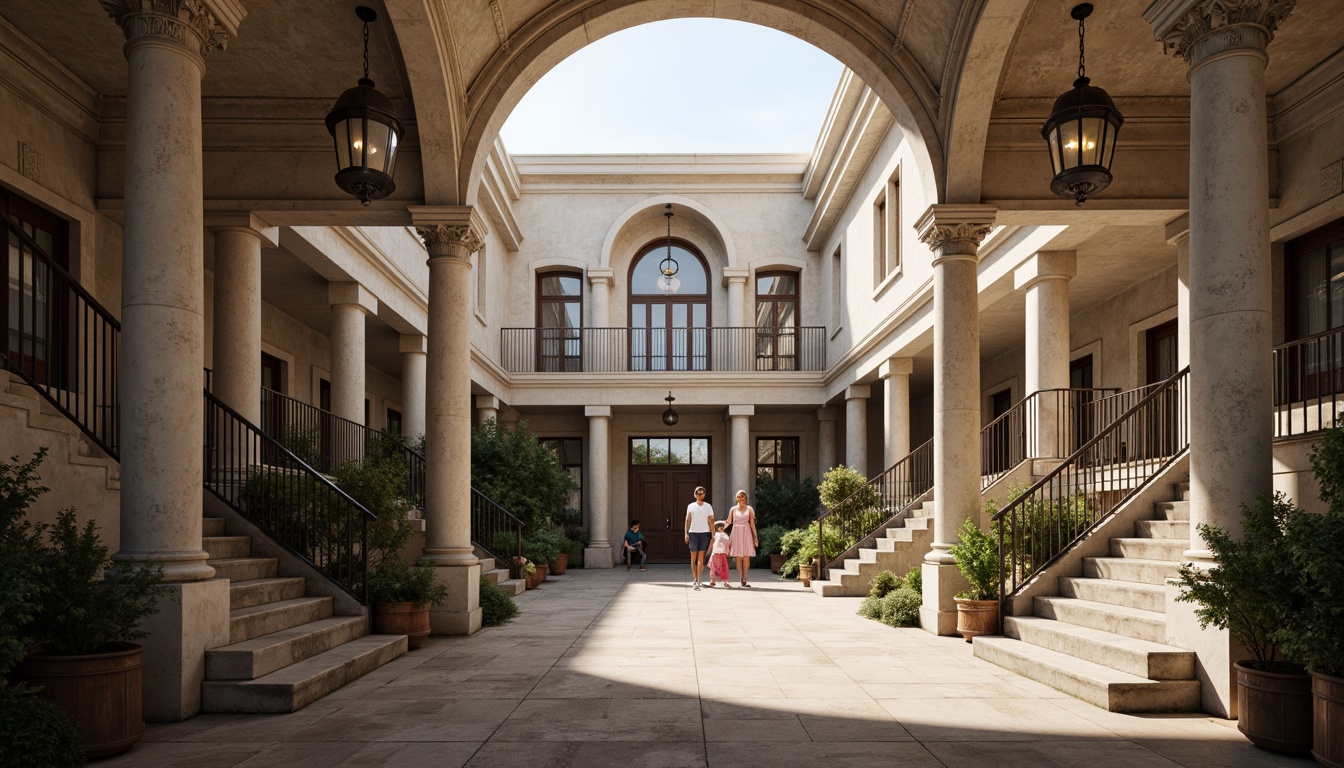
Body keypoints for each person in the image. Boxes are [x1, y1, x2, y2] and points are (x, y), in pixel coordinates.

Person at [684, 486, 714, 590]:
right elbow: (687, 521)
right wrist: (686, 533)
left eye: (702, 493)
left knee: (701, 558)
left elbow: (711, 521)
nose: (700, 495)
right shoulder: (691, 506)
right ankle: (695, 579)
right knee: (693, 558)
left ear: (705, 494)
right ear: (695, 494)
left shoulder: (708, 506)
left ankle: (699, 579)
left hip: (704, 533)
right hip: (693, 533)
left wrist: (713, 535)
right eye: (698, 493)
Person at [727, 489, 758, 587]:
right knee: (738, 557)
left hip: (746, 531)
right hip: (736, 532)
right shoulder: (733, 509)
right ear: (736, 498)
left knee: (746, 556)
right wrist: (716, 528)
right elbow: (728, 521)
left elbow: (752, 524)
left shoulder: (750, 509)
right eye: (738, 496)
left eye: (742, 496)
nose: (740, 498)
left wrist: (755, 537)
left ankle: (745, 577)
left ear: (745, 497)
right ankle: (741, 577)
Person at [708, 520, 733, 587]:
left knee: (724, 567)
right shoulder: (715, 534)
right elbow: (712, 542)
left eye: (722, 526)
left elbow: (729, 542)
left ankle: (725, 581)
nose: (721, 527)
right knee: (713, 567)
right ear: (716, 528)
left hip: (723, 552)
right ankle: (712, 580)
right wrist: (709, 551)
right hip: (715, 552)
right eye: (719, 526)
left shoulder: (725, 535)